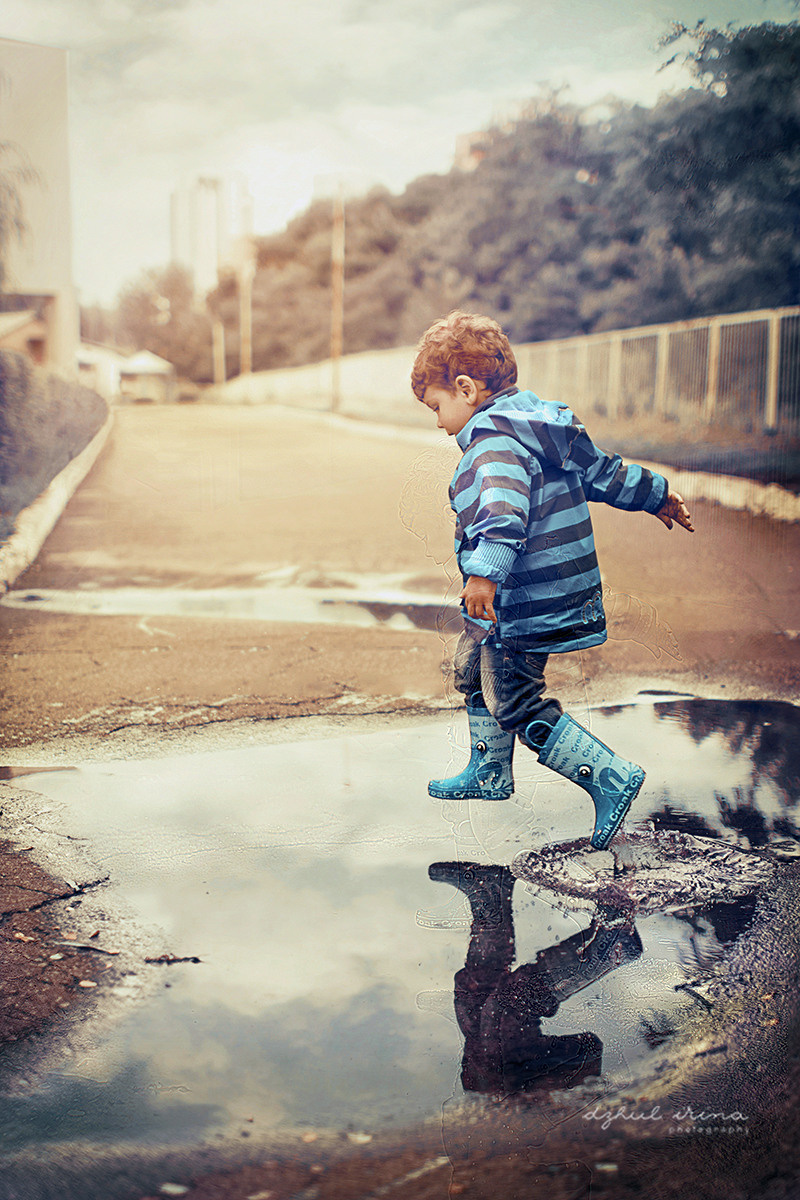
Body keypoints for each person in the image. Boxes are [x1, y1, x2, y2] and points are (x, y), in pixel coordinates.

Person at [411, 311, 694, 849]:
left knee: (515, 699)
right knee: (472, 666)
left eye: (437, 406)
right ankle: (490, 770)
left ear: (465, 389)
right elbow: (604, 473)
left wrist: (483, 577)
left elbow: (501, 516)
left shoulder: (491, 444)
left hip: (523, 601)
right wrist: (656, 494)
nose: (438, 420)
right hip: (549, 595)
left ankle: (608, 775)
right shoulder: (546, 428)